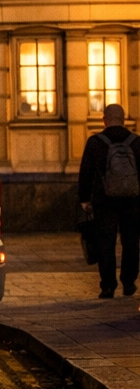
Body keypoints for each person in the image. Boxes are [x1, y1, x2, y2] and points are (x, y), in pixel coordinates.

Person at [79, 103, 140, 299]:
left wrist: (84, 199)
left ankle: (108, 286)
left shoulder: (95, 142)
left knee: (106, 242)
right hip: (132, 200)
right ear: (123, 119)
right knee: (131, 241)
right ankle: (129, 282)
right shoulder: (136, 142)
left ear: (104, 119)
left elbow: (86, 172)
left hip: (104, 201)